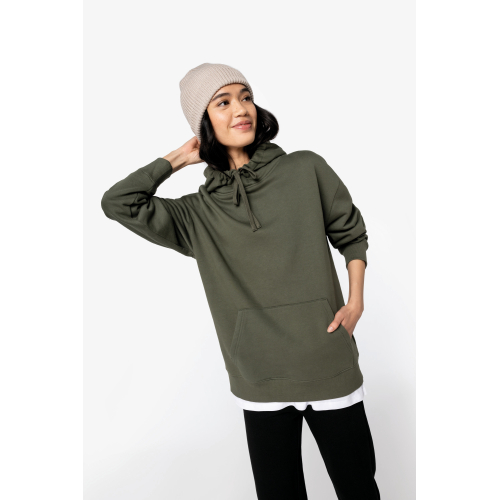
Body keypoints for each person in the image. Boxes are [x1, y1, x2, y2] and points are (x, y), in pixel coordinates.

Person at [101, 62, 380, 499]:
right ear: (203, 123)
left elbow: (350, 233)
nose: (241, 109)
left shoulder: (305, 168)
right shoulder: (196, 214)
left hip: (326, 359)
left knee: (358, 488)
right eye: (223, 102)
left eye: (246, 97)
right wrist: (178, 158)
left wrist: (356, 302)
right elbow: (118, 202)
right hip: (257, 374)